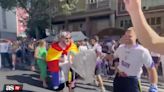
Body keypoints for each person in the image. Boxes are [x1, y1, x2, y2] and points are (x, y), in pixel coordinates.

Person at [107, 27, 158, 92]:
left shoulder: (142, 51)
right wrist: (104, 56)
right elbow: (113, 56)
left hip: (132, 81)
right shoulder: (121, 48)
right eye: (125, 35)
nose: (126, 38)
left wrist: (153, 86)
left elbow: (151, 69)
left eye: (130, 36)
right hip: (119, 79)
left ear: (136, 37)